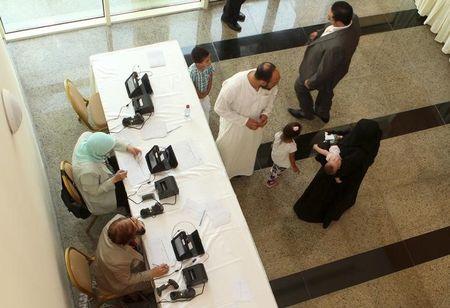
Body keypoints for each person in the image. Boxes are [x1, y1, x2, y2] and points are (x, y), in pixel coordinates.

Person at [293, 119, 382, 228]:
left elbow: (337, 164)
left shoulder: (356, 155)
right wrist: (332, 138)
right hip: (349, 177)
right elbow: (344, 138)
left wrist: (330, 142)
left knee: (323, 194)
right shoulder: (371, 142)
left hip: (335, 177)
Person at [288, 1, 360, 123]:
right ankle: (323, 112)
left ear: (338, 20)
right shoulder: (353, 18)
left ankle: (307, 112)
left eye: (330, 13)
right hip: (339, 69)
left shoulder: (336, 46)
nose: (328, 13)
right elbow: (332, 28)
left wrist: (311, 82)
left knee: (300, 86)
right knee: (327, 90)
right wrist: (321, 32)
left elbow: (325, 69)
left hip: (326, 69)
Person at [214, 62, 280, 178]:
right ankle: (225, 175)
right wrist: (245, 121)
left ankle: (241, 170)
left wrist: (265, 114)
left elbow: (271, 99)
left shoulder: (269, 84)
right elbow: (219, 108)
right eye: (274, 82)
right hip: (234, 127)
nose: (276, 85)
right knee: (229, 152)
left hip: (254, 128)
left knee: (247, 151)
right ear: (263, 82)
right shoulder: (234, 86)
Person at [92, 214, 169, 296]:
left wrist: (136, 225)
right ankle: (144, 294)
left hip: (105, 266)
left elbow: (137, 224)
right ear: (131, 239)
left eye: (132, 220)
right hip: (113, 282)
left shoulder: (115, 222)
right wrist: (152, 273)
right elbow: (127, 280)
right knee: (158, 280)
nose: (135, 219)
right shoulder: (117, 261)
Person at [72, 132, 141, 215]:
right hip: (99, 196)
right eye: (107, 151)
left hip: (100, 172)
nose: (110, 150)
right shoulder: (87, 172)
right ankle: (130, 210)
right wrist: (114, 179)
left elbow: (109, 142)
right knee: (130, 192)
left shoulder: (86, 137)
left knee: (118, 161)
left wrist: (127, 147)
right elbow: (95, 192)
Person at [266, 122, 302, 188]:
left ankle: (275, 169)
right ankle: (270, 182)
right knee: (275, 172)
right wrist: (294, 167)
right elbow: (292, 159)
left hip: (275, 156)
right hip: (282, 163)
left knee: (276, 166)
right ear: (295, 136)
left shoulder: (278, 134)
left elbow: (273, 143)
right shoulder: (292, 146)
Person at [188, 47, 215, 122]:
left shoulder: (208, 66)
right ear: (198, 63)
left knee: (206, 109)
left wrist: (207, 91)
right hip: (196, 97)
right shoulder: (192, 72)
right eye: (207, 61)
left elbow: (210, 75)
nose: (210, 62)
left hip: (205, 94)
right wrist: (200, 95)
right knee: (197, 112)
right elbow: (191, 86)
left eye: (209, 59)